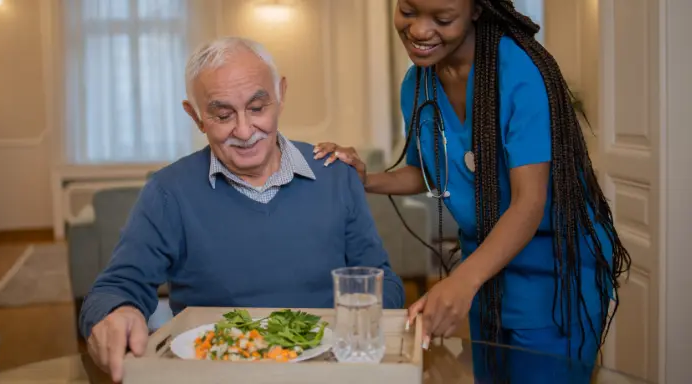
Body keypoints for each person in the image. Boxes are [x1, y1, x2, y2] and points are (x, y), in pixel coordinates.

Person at [314, 0, 631, 382]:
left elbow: (529, 202)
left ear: (477, 10)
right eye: (408, 11)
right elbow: (427, 171)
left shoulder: (520, 73)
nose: (418, 31)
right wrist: (364, 178)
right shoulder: (418, 83)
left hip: (554, 270)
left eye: (442, 19)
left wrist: (463, 280)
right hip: (487, 268)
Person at [80, 36, 405, 383]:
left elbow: (384, 285)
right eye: (222, 115)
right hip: (215, 374)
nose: (245, 131)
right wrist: (115, 313)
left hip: (327, 370)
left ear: (280, 95)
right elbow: (114, 288)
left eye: (257, 108)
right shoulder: (167, 192)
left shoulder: (337, 175)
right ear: (196, 116)